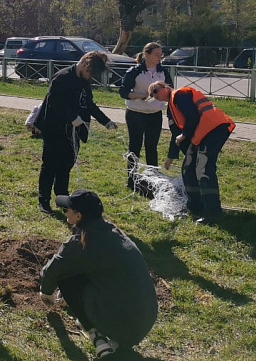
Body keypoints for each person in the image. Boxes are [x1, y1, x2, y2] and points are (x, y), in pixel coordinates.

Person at [40, 190, 158, 359]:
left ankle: (97, 335)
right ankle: (116, 338)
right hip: (144, 319)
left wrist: (46, 292)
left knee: (66, 278)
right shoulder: (114, 233)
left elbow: (54, 269)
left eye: (67, 209)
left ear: (79, 215)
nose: (64, 211)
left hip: (124, 323)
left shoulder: (82, 242)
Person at [34, 51, 118, 215]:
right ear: (85, 65)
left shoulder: (84, 80)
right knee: (50, 165)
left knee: (66, 164)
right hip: (54, 128)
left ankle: (62, 198)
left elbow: (89, 104)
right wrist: (72, 117)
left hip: (73, 132)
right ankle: (43, 201)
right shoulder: (62, 77)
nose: (90, 77)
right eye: (90, 73)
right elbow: (53, 102)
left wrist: (105, 121)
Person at [149, 82, 235, 224]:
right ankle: (195, 207)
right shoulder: (171, 108)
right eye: (152, 95)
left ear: (165, 87)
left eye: (156, 91)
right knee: (188, 168)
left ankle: (213, 212)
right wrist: (171, 156)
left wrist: (184, 135)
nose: (155, 95)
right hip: (203, 134)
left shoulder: (179, 95)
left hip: (214, 129)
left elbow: (192, 116)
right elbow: (175, 134)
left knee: (203, 168)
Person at [119, 42, 172, 187]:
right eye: (156, 54)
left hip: (155, 114)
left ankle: (152, 179)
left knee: (152, 147)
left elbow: (170, 91)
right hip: (135, 114)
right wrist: (138, 95)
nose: (159, 57)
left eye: (161, 55)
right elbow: (122, 91)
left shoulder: (163, 72)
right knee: (134, 146)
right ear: (146, 54)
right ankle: (131, 179)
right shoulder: (134, 71)